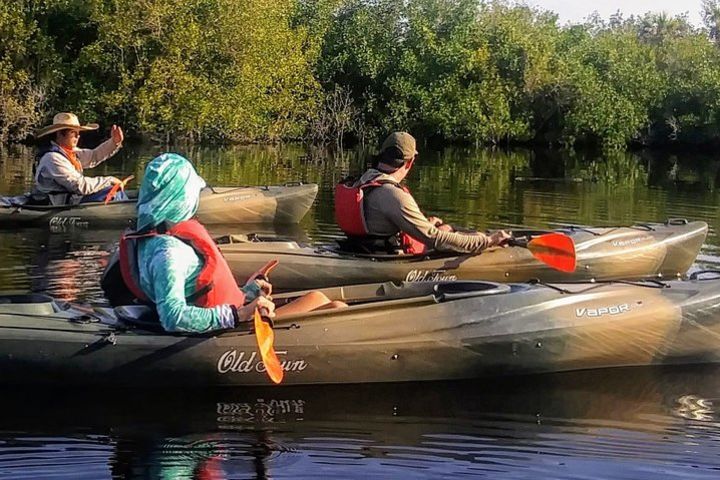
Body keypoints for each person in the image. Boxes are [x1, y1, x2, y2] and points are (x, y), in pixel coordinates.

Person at [104, 153, 345, 333]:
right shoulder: (169, 252)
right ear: (182, 197)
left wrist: (250, 292)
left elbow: (197, 291)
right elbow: (173, 317)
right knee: (336, 310)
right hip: (228, 329)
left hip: (228, 313)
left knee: (318, 298)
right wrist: (240, 313)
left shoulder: (151, 239)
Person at [335, 131, 512, 254]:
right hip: (382, 258)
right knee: (468, 236)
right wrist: (486, 241)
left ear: (382, 156)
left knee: (445, 228)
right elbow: (434, 240)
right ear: (410, 162)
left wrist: (425, 223)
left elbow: (381, 221)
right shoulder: (393, 195)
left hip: (357, 249)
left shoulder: (362, 180)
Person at [33, 112, 126, 205]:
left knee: (114, 191)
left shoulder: (73, 153)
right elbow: (81, 186)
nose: (78, 136)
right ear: (60, 134)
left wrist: (114, 142)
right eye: (73, 133)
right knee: (113, 192)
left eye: (78, 133)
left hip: (72, 199)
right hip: (58, 205)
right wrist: (110, 180)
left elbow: (94, 156)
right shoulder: (52, 158)